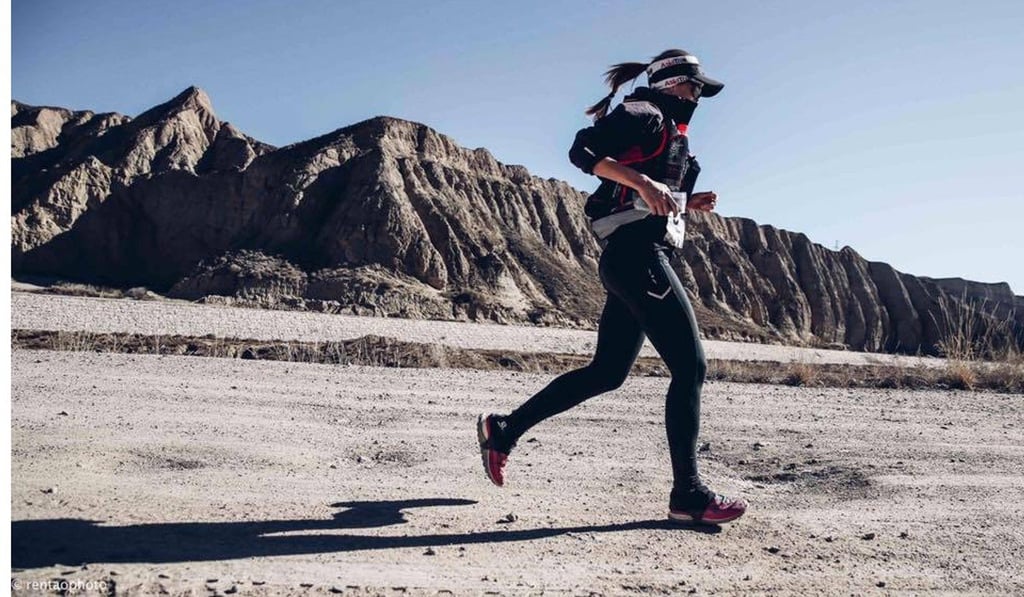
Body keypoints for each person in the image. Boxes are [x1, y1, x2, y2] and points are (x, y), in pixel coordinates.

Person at [477, 49, 747, 525]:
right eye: (693, 87)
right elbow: (582, 151)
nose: (699, 97)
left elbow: (644, 196)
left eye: (702, 90)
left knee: (607, 373)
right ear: (669, 83)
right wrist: (643, 182)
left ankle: (503, 429)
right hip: (637, 257)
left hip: (636, 257)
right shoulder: (645, 113)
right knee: (691, 367)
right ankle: (687, 495)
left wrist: (686, 200)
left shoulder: (669, 130)